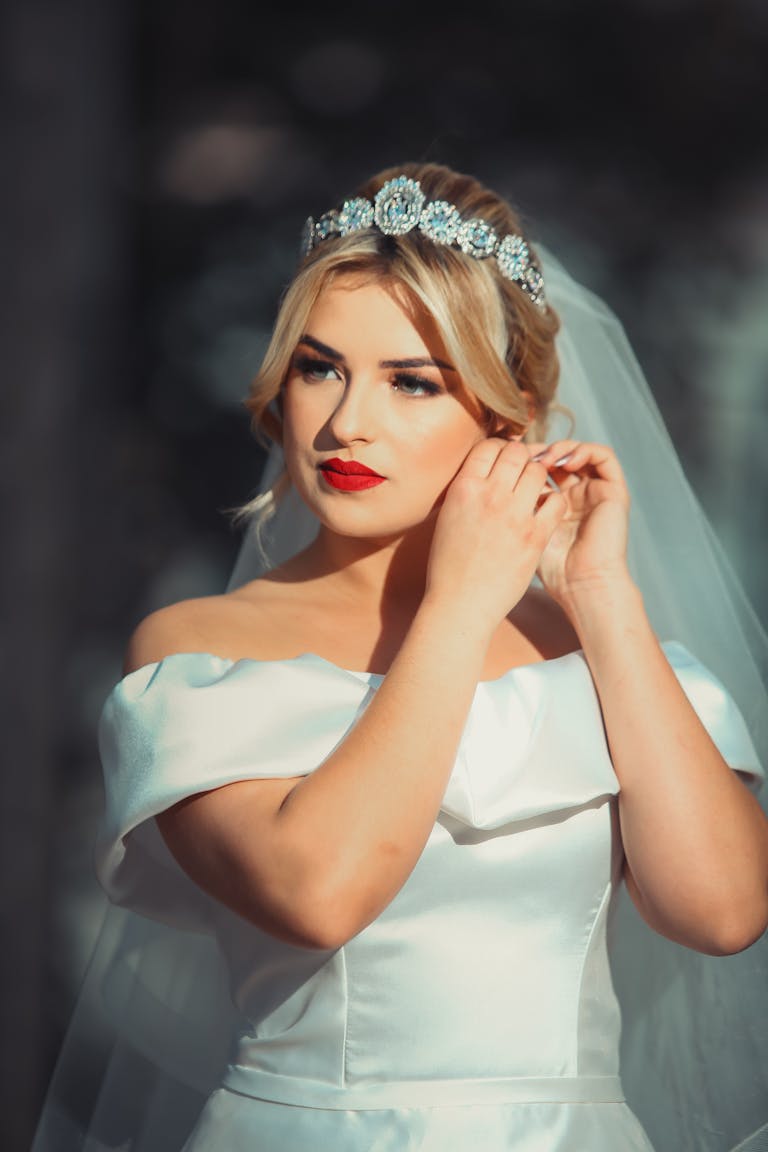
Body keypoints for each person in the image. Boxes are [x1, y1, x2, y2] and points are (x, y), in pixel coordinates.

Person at [32, 162, 768, 1152]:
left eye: (411, 382)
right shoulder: (199, 648)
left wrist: (600, 596)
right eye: (319, 368)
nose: (347, 424)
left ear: (507, 418)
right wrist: (460, 606)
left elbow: (722, 912)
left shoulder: (607, 652)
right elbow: (319, 893)